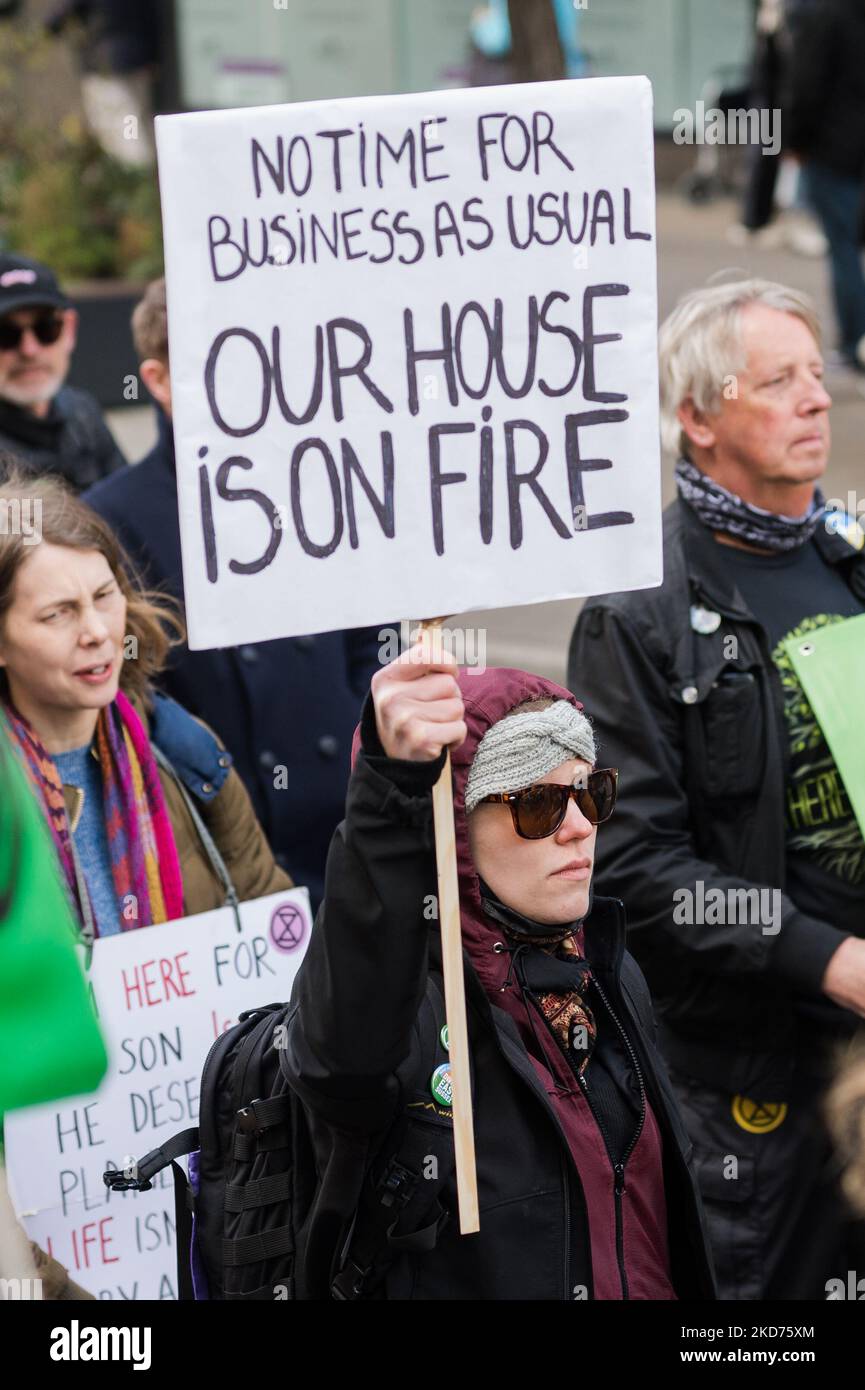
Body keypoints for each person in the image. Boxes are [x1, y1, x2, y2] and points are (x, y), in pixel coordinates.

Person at [568, 278, 865, 1300]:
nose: (814, 399)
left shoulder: (849, 557)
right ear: (695, 418)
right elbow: (638, 865)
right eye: (775, 380)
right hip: (759, 1080)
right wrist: (828, 959)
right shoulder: (637, 609)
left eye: (814, 375)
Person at [282, 639, 716, 1300]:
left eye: (590, 793)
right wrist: (391, 780)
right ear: (453, 824)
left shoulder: (608, 971)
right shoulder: (406, 1010)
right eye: (537, 805)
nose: (576, 828)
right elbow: (341, 1055)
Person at [86, 279, 382, 907]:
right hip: (223, 860)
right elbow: (127, 698)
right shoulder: (110, 519)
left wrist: (376, 771)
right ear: (157, 382)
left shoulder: (323, 482)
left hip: (355, 838)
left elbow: (374, 644)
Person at [0, 467, 291, 941]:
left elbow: (276, 930)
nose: (96, 631)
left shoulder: (184, 751)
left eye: (103, 596)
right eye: (58, 614)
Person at [0, 253, 125, 490]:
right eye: (6, 335)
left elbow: (129, 504)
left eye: (46, 328)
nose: (30, 350)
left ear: (69, 330)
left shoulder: (82, 412)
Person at [786, 0, 865, 370]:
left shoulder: (824, 14)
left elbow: (806, 86)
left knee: (844, 248)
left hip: (835, 149)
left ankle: (854, 342)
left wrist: (795, 142)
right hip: (849, 147)